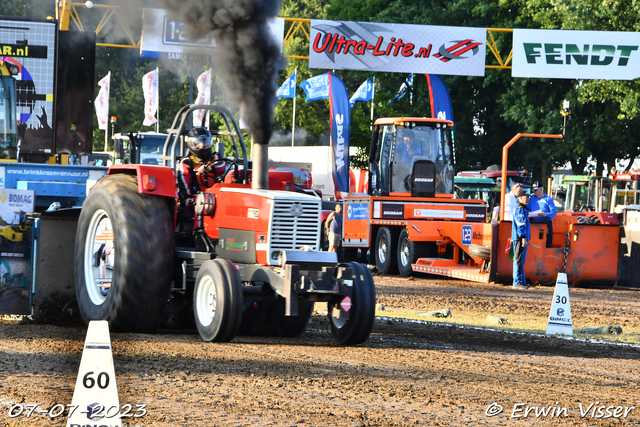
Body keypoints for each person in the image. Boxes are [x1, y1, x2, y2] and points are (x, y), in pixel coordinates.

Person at [176, 127, 222, 227]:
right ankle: (200, 233)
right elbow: (183, 180)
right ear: (193, 144)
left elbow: (222, 166)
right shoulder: (187, 162)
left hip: (216, 196)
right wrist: (187, 197)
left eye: (205, 142)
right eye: (200, 142)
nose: (203, 145)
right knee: (200, 203)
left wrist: (209, 168)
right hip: (196, 197)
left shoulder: (214, 158)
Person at [512, 189, 531, 289]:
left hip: (519, 237)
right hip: (520, 238)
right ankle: (517, 282)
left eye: (528, 197)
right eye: (525, 197)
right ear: (520, 198)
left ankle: (522, 282)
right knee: (519, 261)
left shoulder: (522, 209)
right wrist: (523, 237)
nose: (527, 199)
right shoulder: (520, 209)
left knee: (520, 260)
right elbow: (521, 224)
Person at [528, 182, 557, 248]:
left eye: (535, 190)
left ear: (541, 189)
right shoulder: (531, 198)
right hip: (534, 223)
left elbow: (554, 212)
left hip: (546, 223)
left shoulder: (548, 199)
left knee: (547, 242)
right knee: (534, 242)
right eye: (533, 190)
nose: (533, 191)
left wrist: (545, 215)